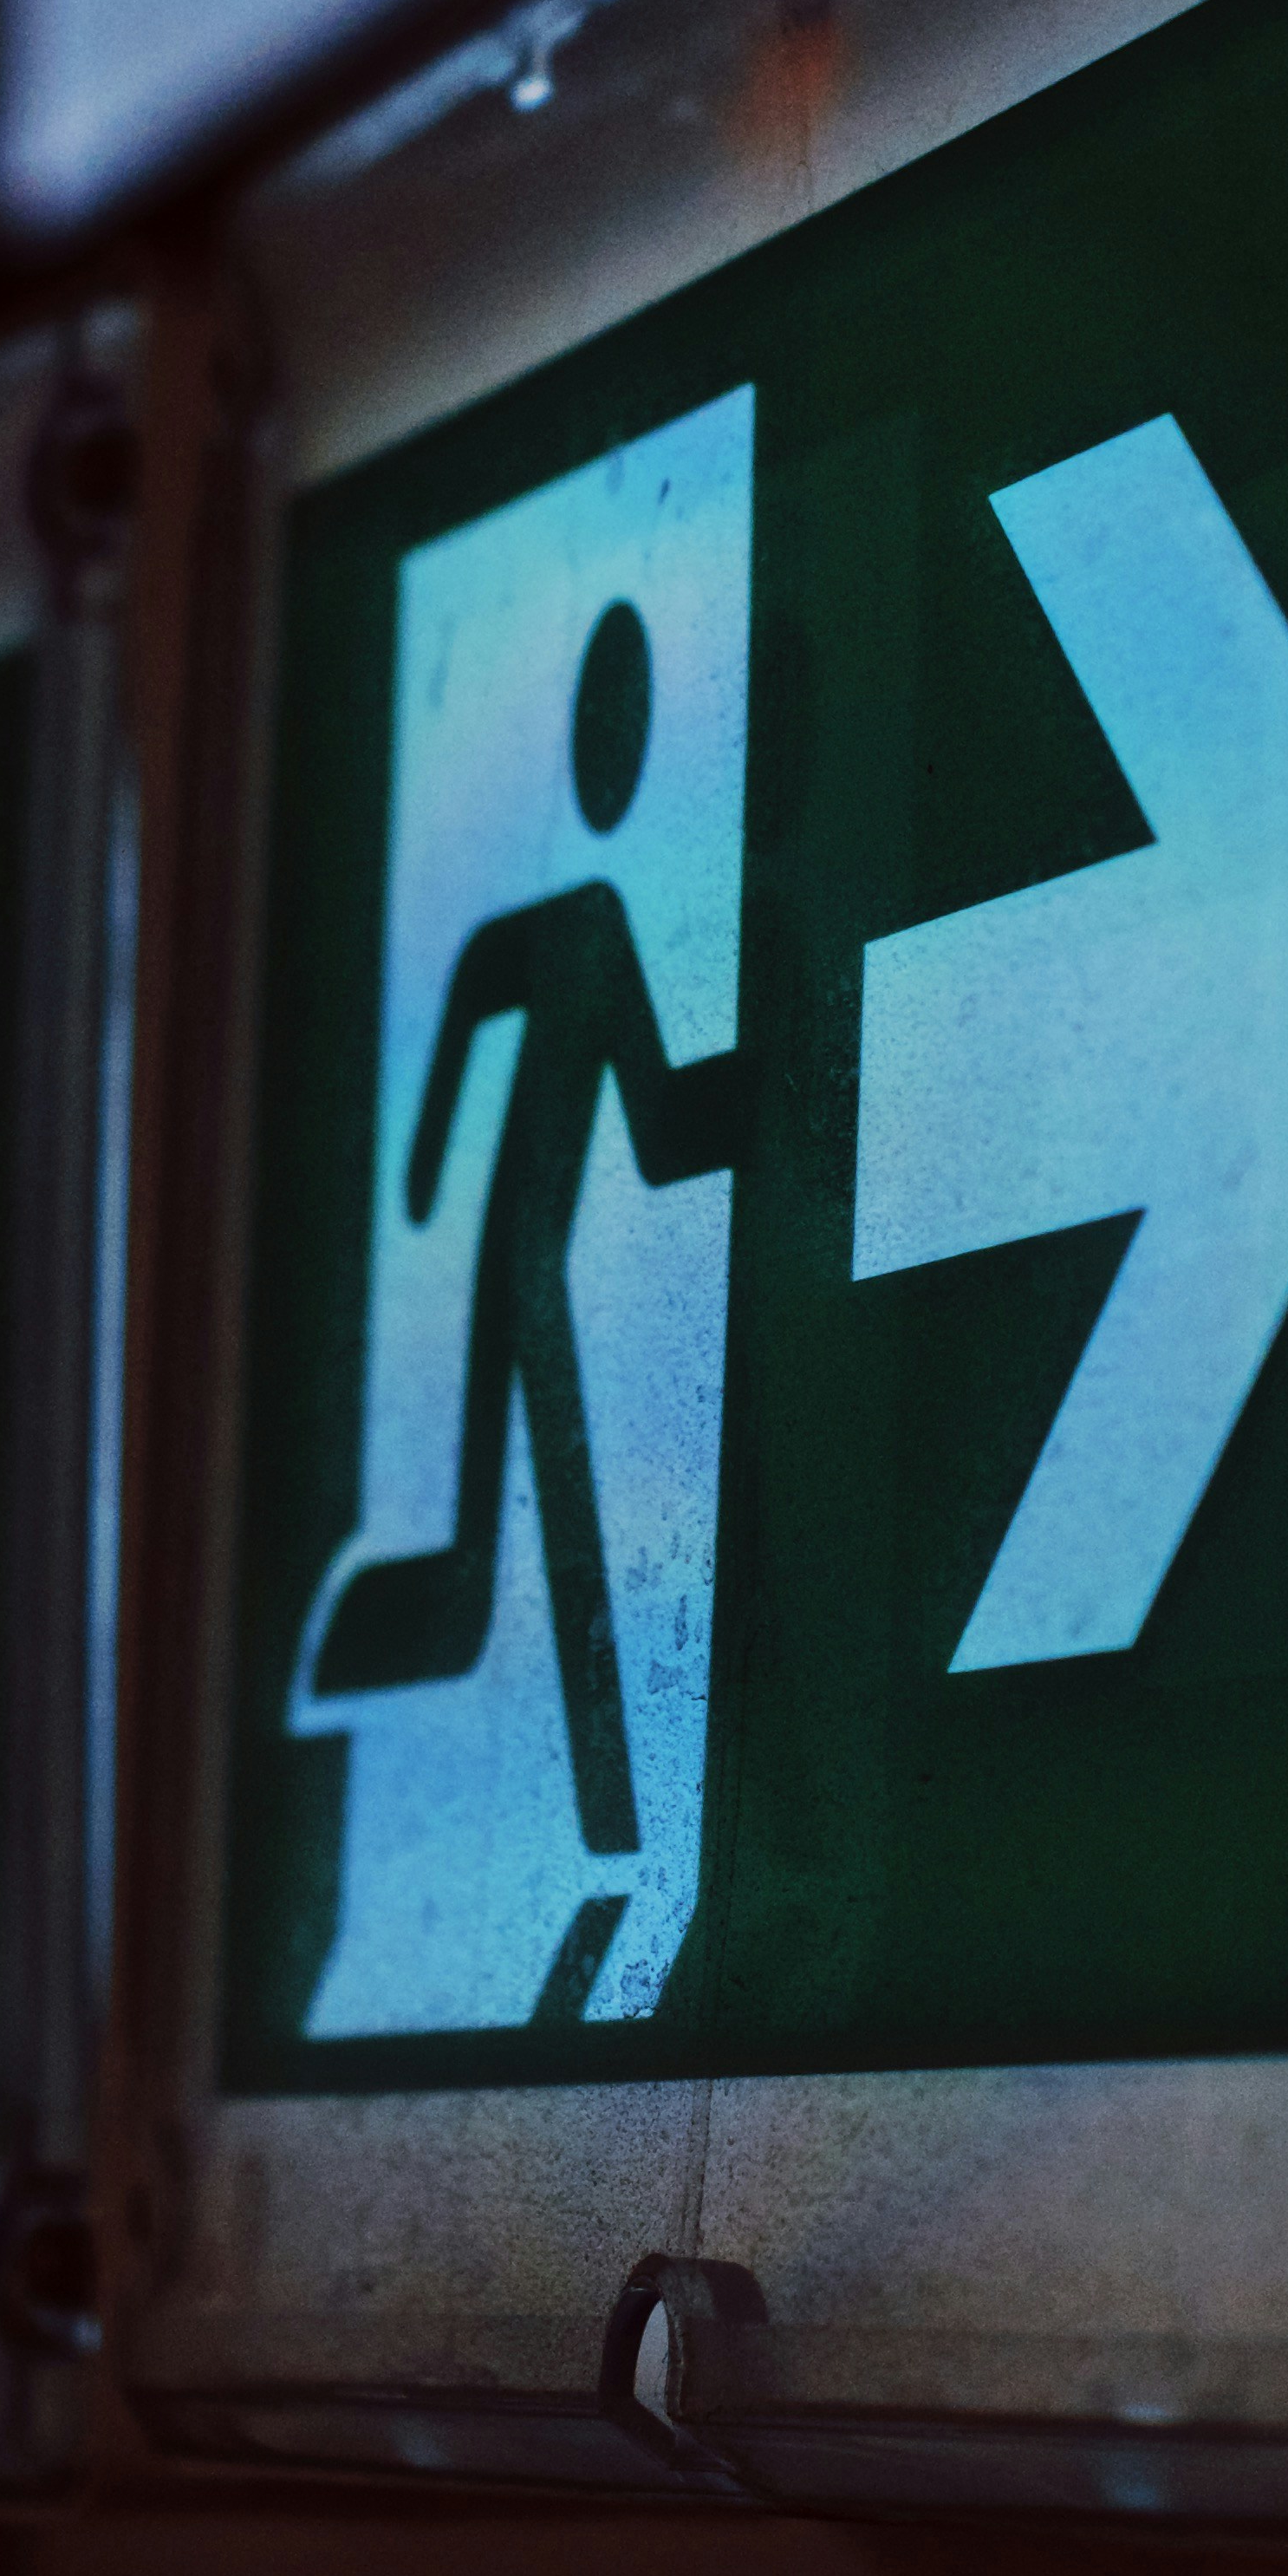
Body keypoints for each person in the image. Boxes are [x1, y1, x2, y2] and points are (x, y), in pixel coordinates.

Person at [307, 599, 743, 1856]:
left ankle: (601, 1803)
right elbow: (463, 1059)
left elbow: (654, 1114)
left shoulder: (594, 927)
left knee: (548, 1510)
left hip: (536, 1258)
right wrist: (431, 1176)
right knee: (553, 1514)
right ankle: (601, 1807)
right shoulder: (559, 929)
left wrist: (744, 1103)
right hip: (521, 1257)